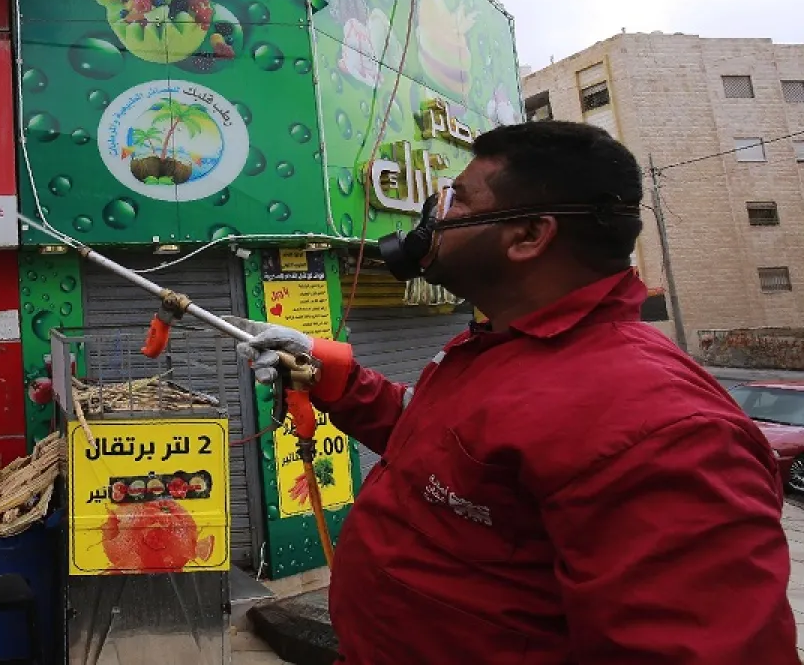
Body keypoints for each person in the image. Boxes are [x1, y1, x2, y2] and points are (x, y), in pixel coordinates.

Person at [226, 121, 797, 664]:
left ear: (528, 235)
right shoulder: (494, 347)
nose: (435, 214)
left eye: (458, 201)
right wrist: (326, 371)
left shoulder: (664, 430)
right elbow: (434, 441)